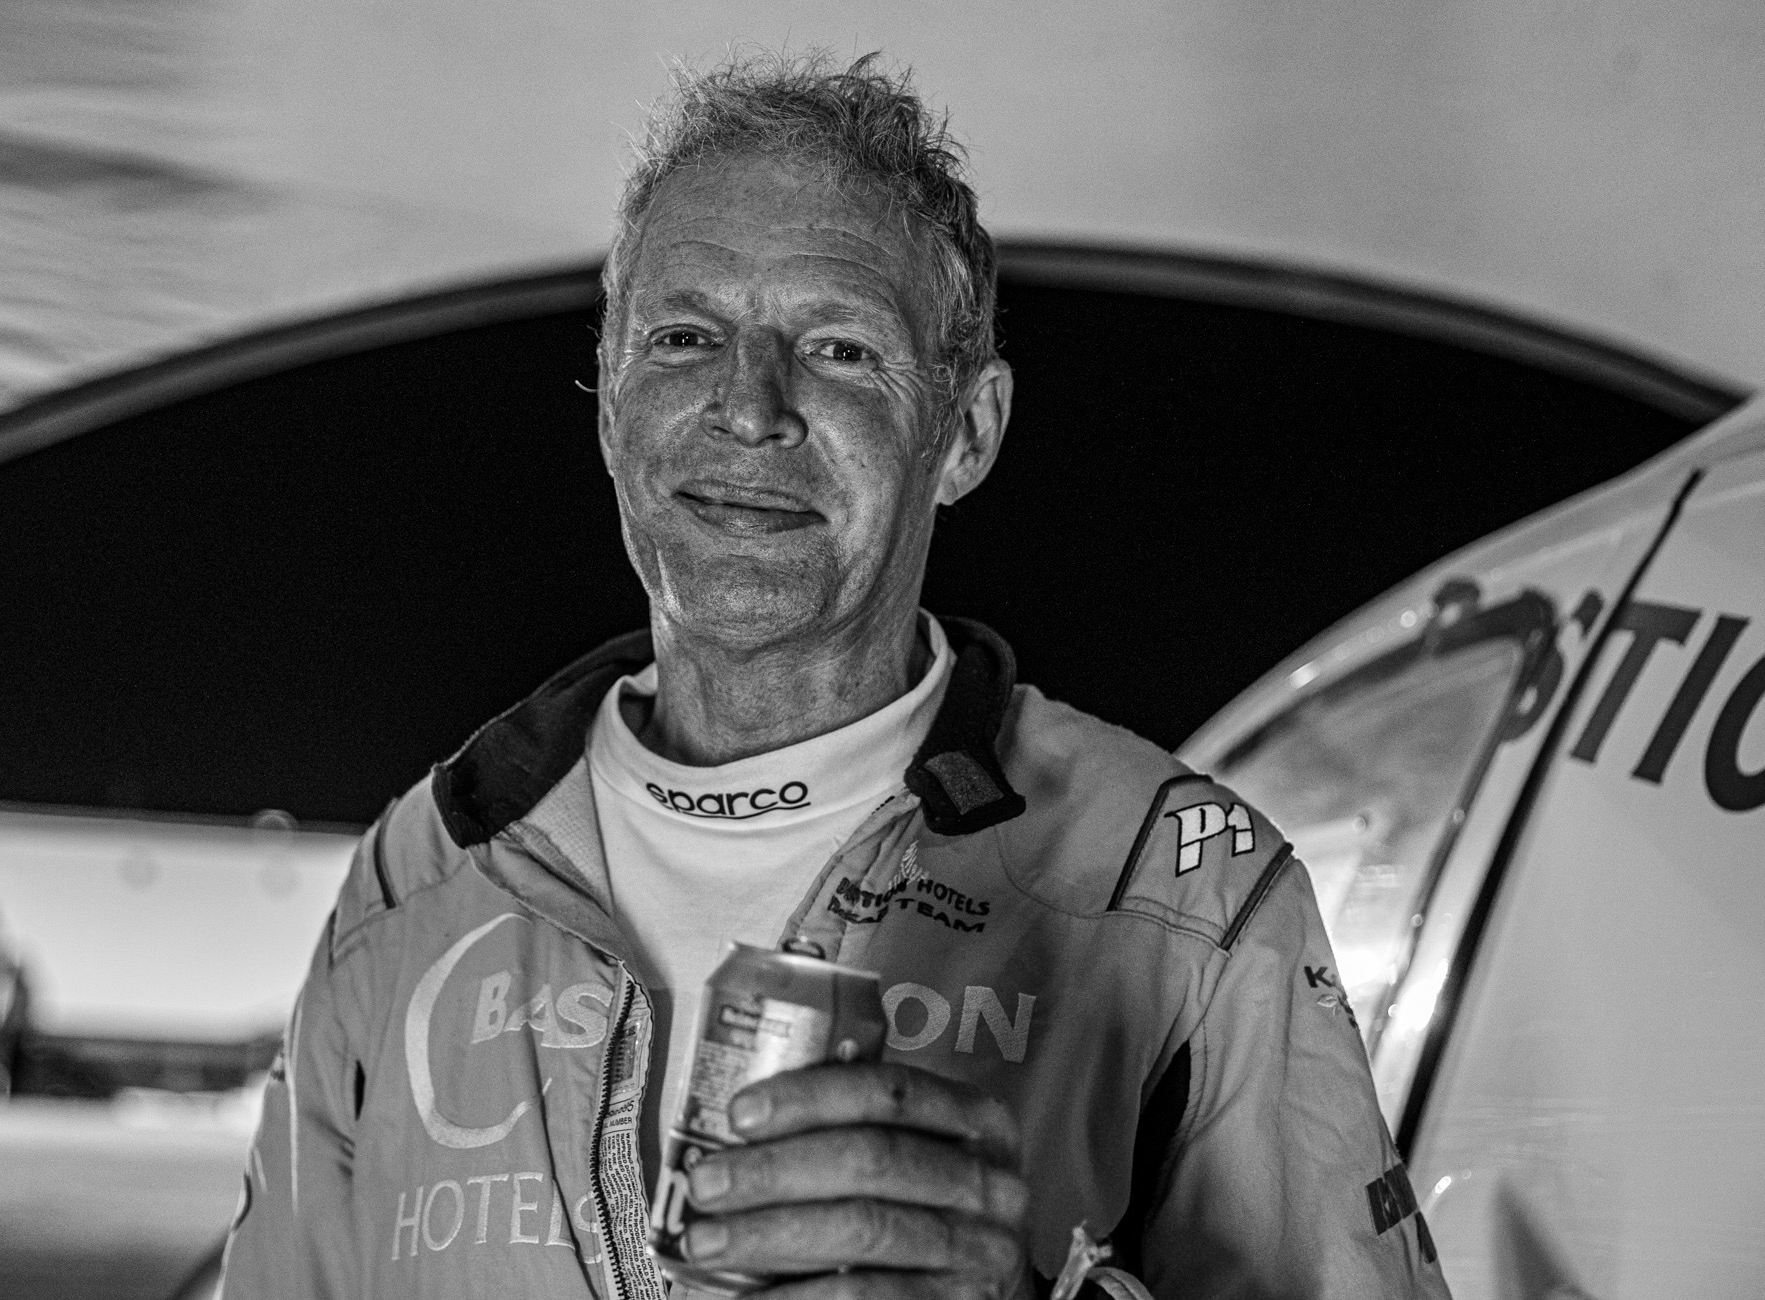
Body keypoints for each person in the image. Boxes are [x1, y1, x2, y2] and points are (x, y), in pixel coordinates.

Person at [220, 51, 1451, 1300]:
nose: (750, 408)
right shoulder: (421, 871)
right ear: (609, 409)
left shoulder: (1185, 894)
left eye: (840, 348)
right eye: (685, 338)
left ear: (965, 432)